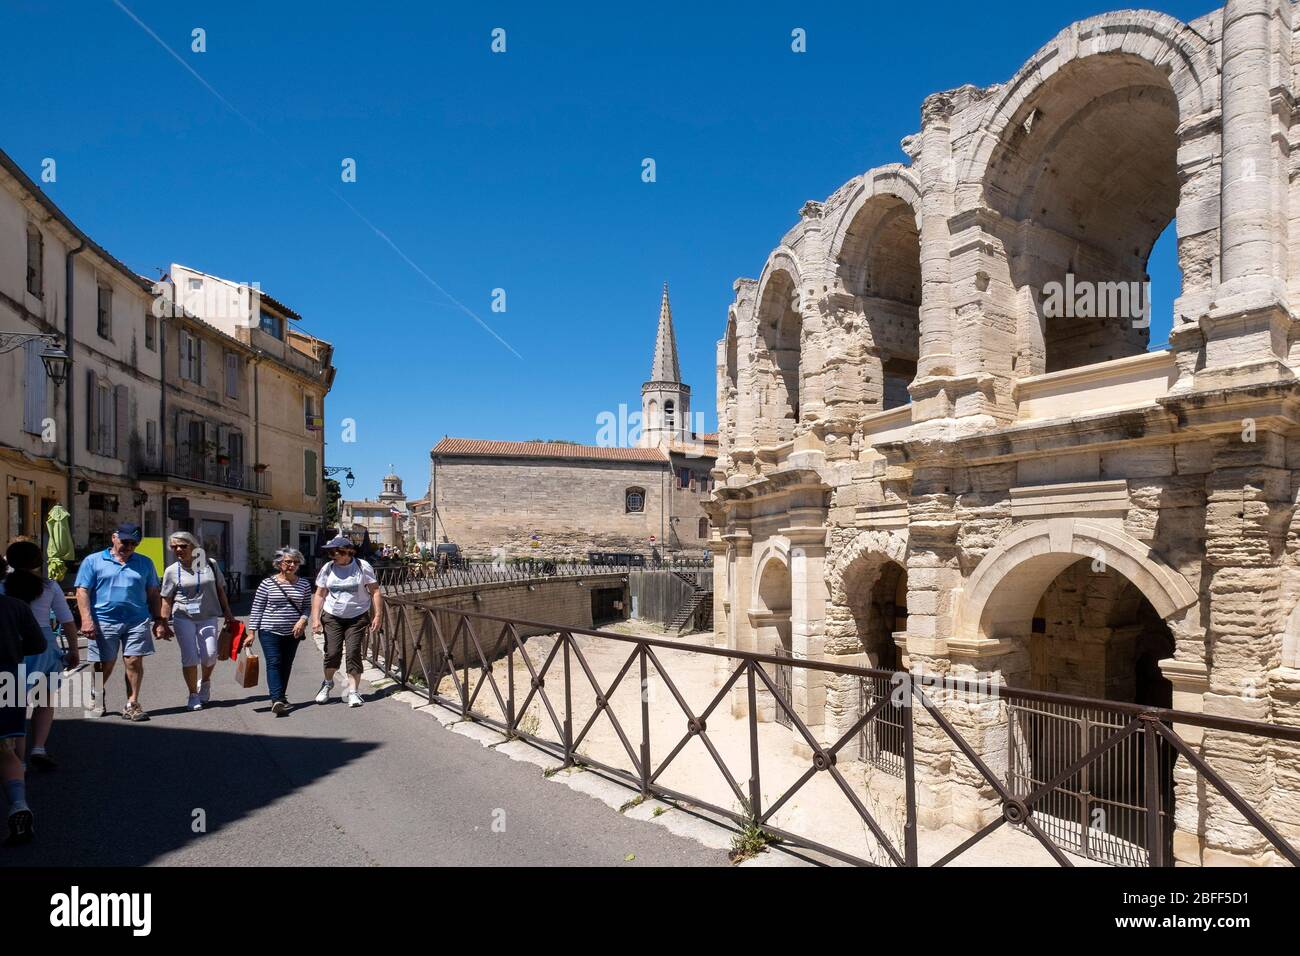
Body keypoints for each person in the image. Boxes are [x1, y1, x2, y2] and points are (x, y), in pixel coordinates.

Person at [74, 523, 167, 721]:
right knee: (104, 663)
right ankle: (96, 694)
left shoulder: (145, 562)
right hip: (103, 620)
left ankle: (132, 703)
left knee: (133, 661)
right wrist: (86, 620)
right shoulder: (93, 561)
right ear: (114, 537)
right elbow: (82, 591)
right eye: (125, 542)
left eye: (134, 544)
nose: (129, 547)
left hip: (137, 620)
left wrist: (159, 620)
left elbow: (153, 593)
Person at [0, 541, 77, 769]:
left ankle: (17, 759)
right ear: (38, 562)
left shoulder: (2, 586)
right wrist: (73, 649)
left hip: (11, 644)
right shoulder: (50, 587)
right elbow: (67, 621)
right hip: (44, 646)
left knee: (15, 703)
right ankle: (39, 747)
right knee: (44, 698)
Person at [159, 532, 237, 711]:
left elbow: (220, 590)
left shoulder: (210, 564)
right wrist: (163, 623)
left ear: (193, 547)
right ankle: (193, 694)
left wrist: (228, 612)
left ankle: (206, 681)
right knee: (190, 656)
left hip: (208, 615)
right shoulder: (171, 570)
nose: (178, 549)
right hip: (183, 616)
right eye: (174, 547)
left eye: (183, 546)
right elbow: (166, 599)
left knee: (210, 654)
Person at [0, 565, 46, 845]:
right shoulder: (15, 606)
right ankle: (19, 804)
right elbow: (38, 644)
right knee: (5, 747)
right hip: (8, 677)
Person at [309, 536, 381, 708]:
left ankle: (353, 692)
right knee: (332, 653)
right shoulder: (328, 568)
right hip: (333, 616)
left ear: (348, 552)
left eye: (336, 552)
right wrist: (315, 618)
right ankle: (327, 683)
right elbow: (319, 594)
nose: (332, 556)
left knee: (353, 652)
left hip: (357, 617)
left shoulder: (362, 567)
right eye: (330, 553)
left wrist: (378, 615)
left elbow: (375, 591)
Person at [248, 548, 313, 715]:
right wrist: (251, 632)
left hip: (293, 632)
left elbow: (307, 606)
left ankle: (281, 697)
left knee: (286, 664)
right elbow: (257, 608)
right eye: (288, 561)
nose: (292, 565)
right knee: (274, 662)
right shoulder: (267, 583)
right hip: (269, 630)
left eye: (296, 562)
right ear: (279, 564)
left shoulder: (304, 584)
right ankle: (276, 699)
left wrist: (302, 621)